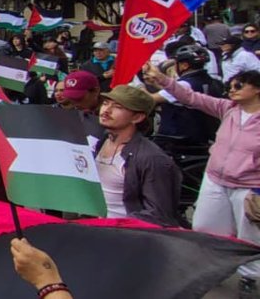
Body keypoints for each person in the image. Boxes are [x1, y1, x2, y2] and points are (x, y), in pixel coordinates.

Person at [145, 65, 260, 295]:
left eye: (239, 85)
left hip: (249, 186)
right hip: (215, 179)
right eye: (231, 85)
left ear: (257, 89)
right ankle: (216, 267)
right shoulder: (228, 109)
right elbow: (191, 98)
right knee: (205, 227)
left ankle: (249, 277)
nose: (232, 89)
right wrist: (162, 79)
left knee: (250, 235)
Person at [94, 85, 181, 227]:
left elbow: (158, 215)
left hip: (126, 234)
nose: (106, 110)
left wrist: (116, 225)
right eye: (105, 103)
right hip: (96, 228)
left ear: (137, 117)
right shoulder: (102, 140)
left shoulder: (151, 158)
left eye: (118, 107)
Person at [154, 45, 221, 147]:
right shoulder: (213, 81)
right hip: (202, 134)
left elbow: (150, 99)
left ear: (184, 65)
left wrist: (140, 86)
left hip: (178, 138)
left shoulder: (185, 84)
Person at [57, 70, 104, 141]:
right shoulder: (68, 113)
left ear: (96, 91)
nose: (75, 103)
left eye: (79, 98)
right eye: (71, 98)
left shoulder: (111, 115)